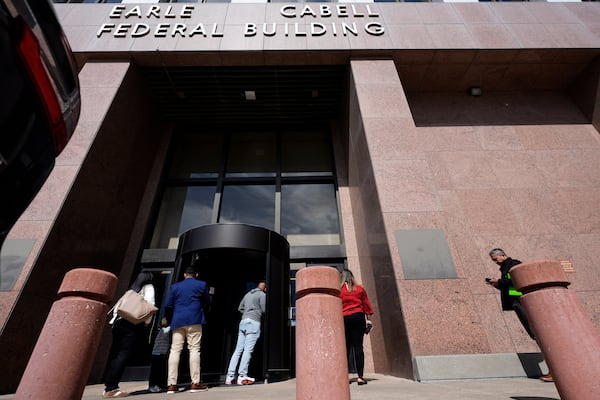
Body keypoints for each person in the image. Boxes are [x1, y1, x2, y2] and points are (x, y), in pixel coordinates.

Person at [486, 248, 554, 383]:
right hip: (518, 303)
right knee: (536, 335)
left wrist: (500, 282)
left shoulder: (514, 265)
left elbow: (518, 279)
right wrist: (497, 284)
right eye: (492, 259)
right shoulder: (506, 267)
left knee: (538, 335)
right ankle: (554, 370)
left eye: (495, 258)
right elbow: (509, 286)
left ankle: (555, 371)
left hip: (522, 302)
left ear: (503, 255)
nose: (494, 261)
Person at [103, 271, 155, 398]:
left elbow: (118, 308)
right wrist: (146, 323)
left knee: (117, 355)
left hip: (118, 323)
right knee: (123, 355)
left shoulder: (131, 290)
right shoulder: (148, 287)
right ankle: (112, 388)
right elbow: (149, 305)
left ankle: (109, 385)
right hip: (131, 325)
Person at [163, 266, 211, 394]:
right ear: (196, 274)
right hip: (195, 319)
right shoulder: (201, 284)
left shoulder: (175, 287)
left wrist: (168, 318)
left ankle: (171, 384)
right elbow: (207, 301)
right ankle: (195, 383)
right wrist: (203, 312)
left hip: (178, 320)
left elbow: (168, 305)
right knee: (194, 349)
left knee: (175, 350)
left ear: (184, 275)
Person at [225, 281, 267, 386]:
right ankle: (242, 376)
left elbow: (240, 308)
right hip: (253, 322)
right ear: (265, 288)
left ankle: (230, 376)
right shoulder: (262, 294)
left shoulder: (248, 294)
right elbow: (264, 309)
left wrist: (247, 313)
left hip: (243, 322)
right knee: (248, 350)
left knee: (238, 350)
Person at [339, 269, 374, 386]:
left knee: (346, 348)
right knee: (358, 347)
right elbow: (366, 305)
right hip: (358, 316)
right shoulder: (359, 289)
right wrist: (368, 319)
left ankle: (345, 377)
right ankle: (360, 377)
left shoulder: (339, 290)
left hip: (344, 318)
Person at [147, 320, 171, 393]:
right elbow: (171, 328)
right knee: (156, 371)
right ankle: (153, 386)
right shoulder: (164, 330)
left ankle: (156, 385)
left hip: (158, 354)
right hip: (158, 354)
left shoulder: (159, 331)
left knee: (157, 371)